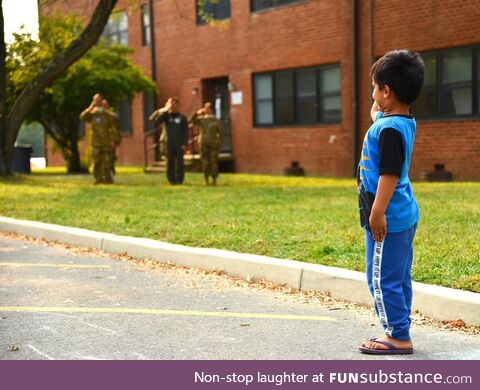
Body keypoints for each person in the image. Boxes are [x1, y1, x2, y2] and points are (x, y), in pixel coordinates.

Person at [357, 50, 424, 355]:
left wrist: (377, 213)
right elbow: (377, 115)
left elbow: (389, 173)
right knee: (397, 277)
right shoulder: (399, 121)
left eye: (375, 88)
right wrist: (379, 98)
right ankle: (399, 327)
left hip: (389, 218)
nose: (372, 94)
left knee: (382, 280)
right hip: (403, 214)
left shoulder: (388, 131)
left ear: (387, 92)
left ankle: (398, 336)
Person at [80, 93, 119, 184]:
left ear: (102, 101)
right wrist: (91, 106)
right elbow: (82, 117)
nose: (97, 102)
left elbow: (113, 129)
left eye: (98, 100)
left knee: (107, 161)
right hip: (95, 142)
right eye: (95, 100)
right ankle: (98, 178)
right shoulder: (92, 114)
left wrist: (115, 140)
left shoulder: (108, 115)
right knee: (96, 161)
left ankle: (107, 178)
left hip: (106, 142)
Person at [149, 97, 189, 185]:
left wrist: (185, 143)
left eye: (174, 103)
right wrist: (162, 110)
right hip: (168, 143)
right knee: (170, 162)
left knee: (180, 162)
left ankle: (179, 180)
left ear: (178, 105)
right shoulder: (166, 116)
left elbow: (186, 132)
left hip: (179, 144)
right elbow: (153, 120)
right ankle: (171, 180)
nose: (172, 105)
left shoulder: (182, 118)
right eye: (170, 103)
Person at [189, 102, 222, 186]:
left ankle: (214, 180)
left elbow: (220, 133)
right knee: (205, 162)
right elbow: (190, 120)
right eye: (205, 108)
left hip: (213, 144)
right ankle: (206, 179)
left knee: (213, 162)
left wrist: (218, 143)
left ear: (211, 109)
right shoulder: (201, 119)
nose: (206, 110)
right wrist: (197, 112)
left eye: (208, 108)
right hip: (203, 144)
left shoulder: (215, 120)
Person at [102, 99, 121, 176]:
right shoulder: (98, 115)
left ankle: (111, 171)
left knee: (110, 157)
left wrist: (115, 140)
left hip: (109, 140)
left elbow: (115, 130)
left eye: (104, 105)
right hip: (100, 140)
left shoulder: (112, 116)